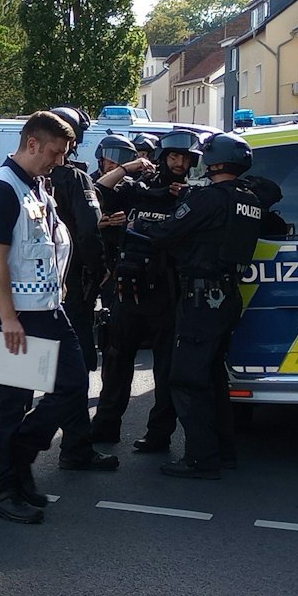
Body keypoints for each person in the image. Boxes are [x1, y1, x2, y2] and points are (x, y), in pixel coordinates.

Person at [0, 111, 89, 524]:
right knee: (11, 401)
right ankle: (1, 489)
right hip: (17, 314)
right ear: (33, 143)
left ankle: (17, 460)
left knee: (72, 385)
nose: (59, 161)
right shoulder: (3, 189)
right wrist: (7, 319)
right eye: (55, 153)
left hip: (45, 309)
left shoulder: (36, 185)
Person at [145, 132, 277, 479]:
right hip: (228, 294)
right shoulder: (249, 198)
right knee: (214, 377)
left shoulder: (209, 198)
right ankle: (223, 452)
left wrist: (138, 222)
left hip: (202, 298)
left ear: (214, 162)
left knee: (187, 379)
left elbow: (168, 231)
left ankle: (200, 459)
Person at [92, 131, 196, 452]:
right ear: (163, 158)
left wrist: (186, 196)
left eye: (185, 159)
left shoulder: (191, 196)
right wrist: (130, 167)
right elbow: (99, 190)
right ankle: (106, 426)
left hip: (167, 293)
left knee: (165, 371)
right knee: (116, 362)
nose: (178, 164)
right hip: (128, 292)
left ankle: (158, 435)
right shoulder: (138, 189)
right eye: (173, 157)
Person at [43, 106, 118, 471]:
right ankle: (69, 445)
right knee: (75, 370)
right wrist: (101, 269)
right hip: (69, 290)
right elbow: (88, 232)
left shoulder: (14, 179)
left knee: (17, 382)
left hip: (21, 297)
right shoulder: (74, 179)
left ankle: (11, 452)